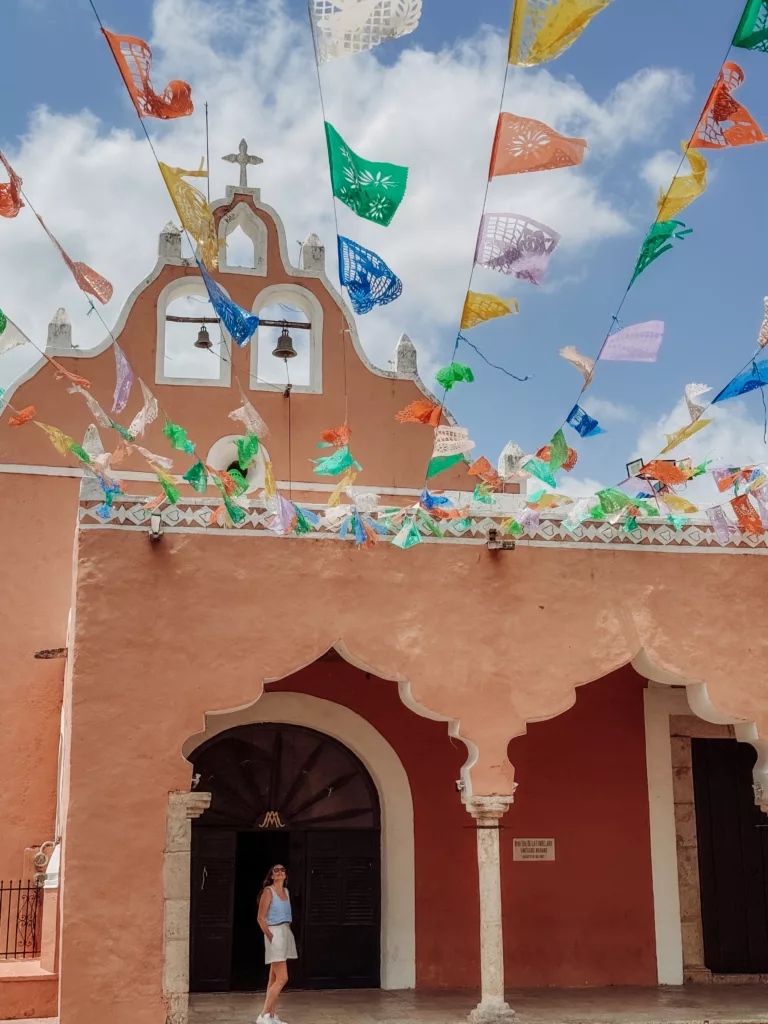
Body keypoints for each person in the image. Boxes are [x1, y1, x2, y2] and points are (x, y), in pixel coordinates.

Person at [256, 864, 297, 1024]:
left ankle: (271, 1016)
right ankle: (264, 1013)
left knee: (273, 977)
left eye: (282, 870)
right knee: (282, 977)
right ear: (272, 876)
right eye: (276, 870)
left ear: (286, 875)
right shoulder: (268, 892)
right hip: (274, 932)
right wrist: (270, 936)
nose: (279, 872)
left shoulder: (285, 892)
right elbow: (260, 917)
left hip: (285, 930)